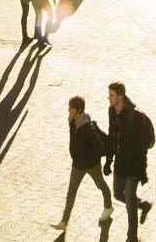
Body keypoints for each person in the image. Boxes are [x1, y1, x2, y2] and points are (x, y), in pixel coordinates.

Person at [53, 95, 113, 232]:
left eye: (71, 108)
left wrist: (88, 158)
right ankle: (64, 221)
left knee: (100, 185)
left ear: (78, 110)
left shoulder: (86, 127)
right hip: (77, 165)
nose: (69, 110)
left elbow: (99, 146)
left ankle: (108, 206)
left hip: (91, 165)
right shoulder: (72, 122)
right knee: (71, 192)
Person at [104, 81, 155, 240]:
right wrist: (108, 160)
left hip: (133, 164)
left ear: (120, 96)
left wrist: (141, 165)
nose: (109, 97)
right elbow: (112, 136)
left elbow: (144, 144)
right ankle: (144, 205)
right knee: (118, 194)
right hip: (120, 163)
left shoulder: (135, 116)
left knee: (129, 201)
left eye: (112, 95)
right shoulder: (112, 111)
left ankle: (132, 237)